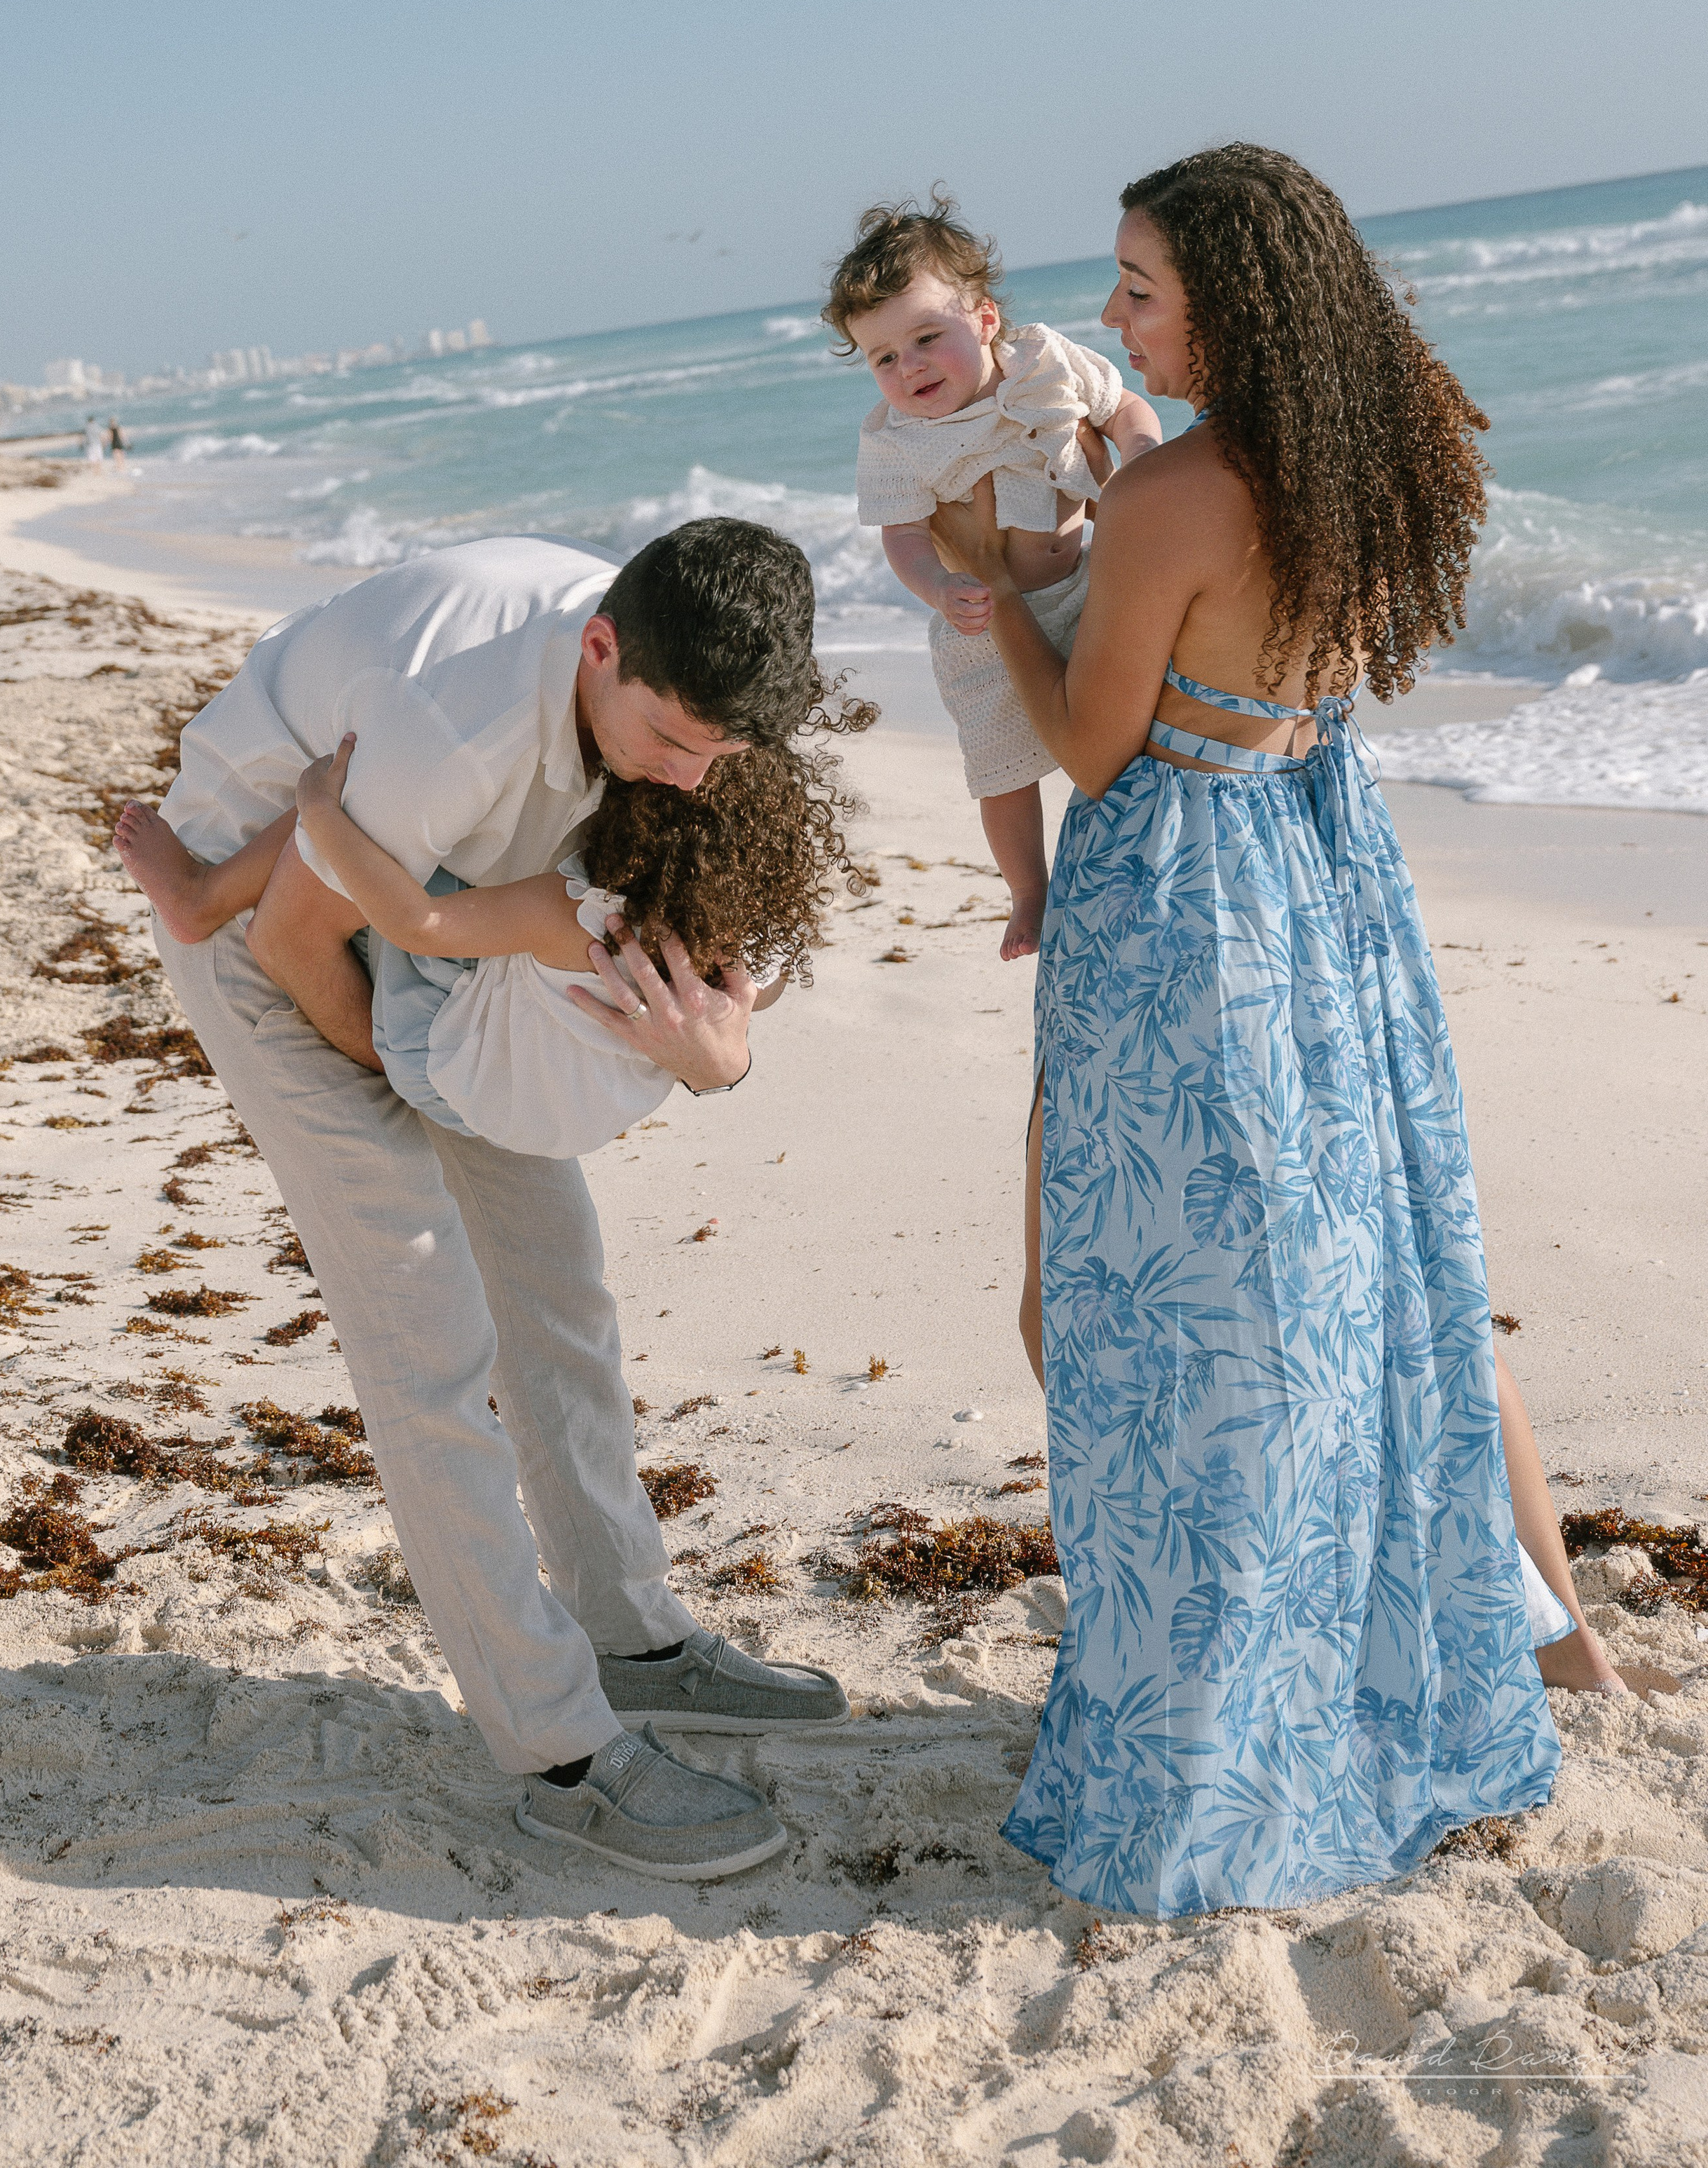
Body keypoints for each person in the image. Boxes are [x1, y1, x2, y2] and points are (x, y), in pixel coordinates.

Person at [929, 144, 1618, 1921]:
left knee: (1146, 1322)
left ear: (1228, 302)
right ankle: (1502, 1647)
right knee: (1372, 1280)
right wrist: (1130, 496)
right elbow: (1239, 640)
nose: (1106, 313)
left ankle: (1219, 1740)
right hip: (1322, 861)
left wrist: (991, 584)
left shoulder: (1170, 495)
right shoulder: (1372, 452)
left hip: (1184, 907)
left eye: (1137, 284)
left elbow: (1094, 748)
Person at [145, 521, 862, 1879]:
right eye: (670, 741)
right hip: (276, 934)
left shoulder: (684, 696)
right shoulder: (453, 719)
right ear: (599, 649)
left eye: (723, 751)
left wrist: (714, 1056)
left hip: (443, 934)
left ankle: (630, 1638)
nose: (691, 777)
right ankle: (561, 1755)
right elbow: (304, 934)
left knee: (557, 1284)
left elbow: (687, 974)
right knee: (428, 1340)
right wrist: (420, 1096)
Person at [116, 717, 854, 1159]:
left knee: (394, 812)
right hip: (576, 1116)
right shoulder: (740, 941)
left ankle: (200, 894)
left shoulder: (575, 910)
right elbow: (759, 999)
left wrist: (322, 816)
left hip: (436, 1065)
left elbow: (417, 924)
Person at [826, 197, 1163, 959]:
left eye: (925, 338)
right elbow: (904, 536)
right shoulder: (894, 441)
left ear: (982, 321)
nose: (907, 366)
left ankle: (1140, 839)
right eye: (882, 357)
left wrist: (1142, 461)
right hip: (978, 623)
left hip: (1083, 588)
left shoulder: (1045, 366)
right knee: (999, 765)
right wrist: (940, 590)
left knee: (1125, 721)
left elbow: (1124, 408)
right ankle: (1029, 891)